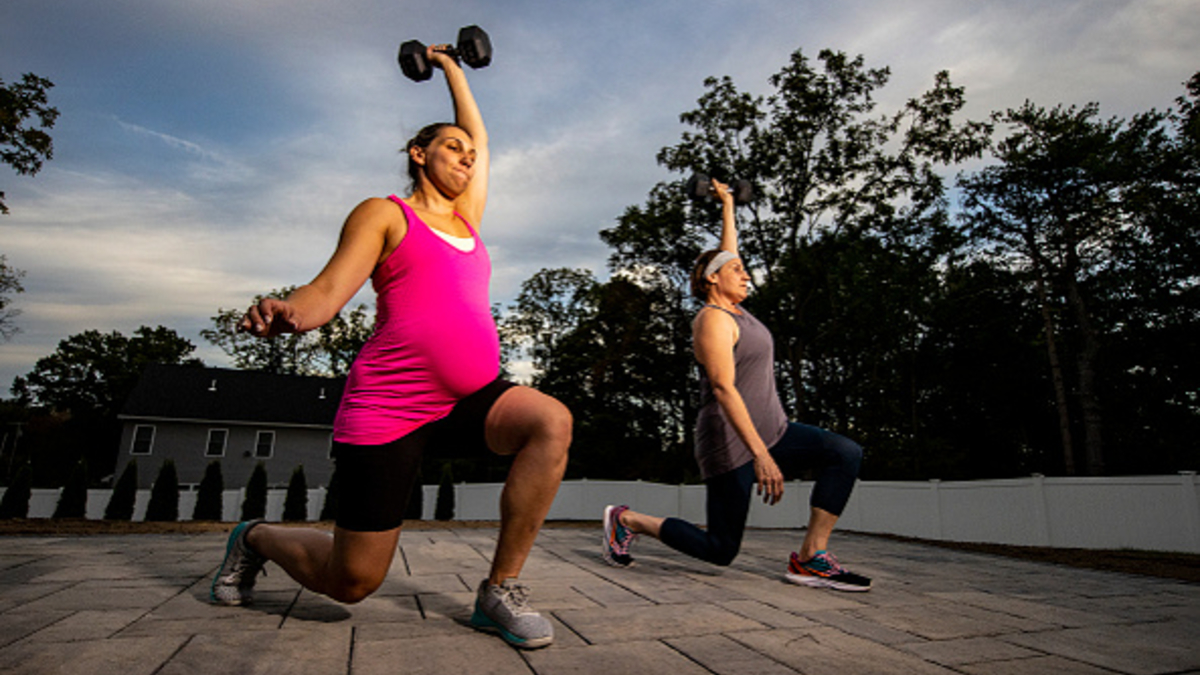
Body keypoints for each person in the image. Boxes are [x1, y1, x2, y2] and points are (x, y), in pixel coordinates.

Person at [209, 43, 570, 649]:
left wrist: (451, 66)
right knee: (350, 583)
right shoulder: (385, 213)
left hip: (467, 398)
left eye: (471, 153)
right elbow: (326, 293)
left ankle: (499, 590)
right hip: (390, 409)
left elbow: (482, 135)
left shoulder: (468, 220)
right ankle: (255, 538)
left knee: (550, 422)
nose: (467, 157)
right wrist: (288, 311)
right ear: (418, 152)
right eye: (452, 146)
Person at [602, 179, 870, 592]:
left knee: (844, 453)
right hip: (732, 443)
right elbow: (724, 388)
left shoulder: (737, 310)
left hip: (773, 431)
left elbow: (727, 252)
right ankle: (627, 519)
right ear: (712, 279)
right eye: (736, 271)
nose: (746, 276)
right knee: (720, 549)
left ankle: (810, 558)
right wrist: (761, 456)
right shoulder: (712, 319)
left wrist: (727, 204)